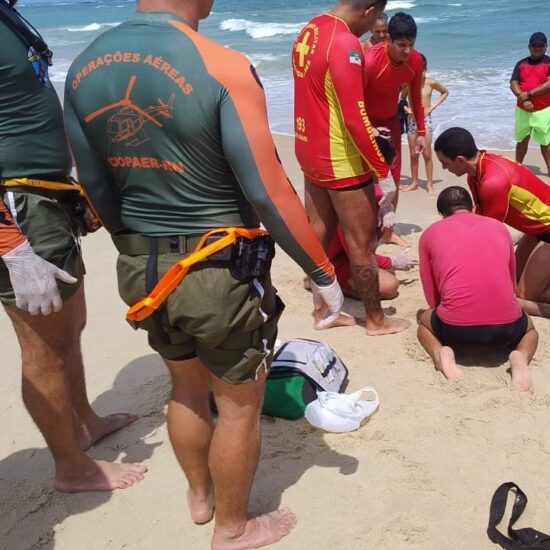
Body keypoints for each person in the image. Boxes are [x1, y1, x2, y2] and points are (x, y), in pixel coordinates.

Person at [65, 0, 345, 548]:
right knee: (239, 400)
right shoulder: (222, 66)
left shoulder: (83, 66)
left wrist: (136, 246)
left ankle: (200, 496)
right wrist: (320, 270)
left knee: (186, 386)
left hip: (142, 265)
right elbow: (267, 191)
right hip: (217, 268)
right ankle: (234, 528)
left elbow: (94, 185)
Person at [0, 0, 146, 492]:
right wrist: (10, 244)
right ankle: (71, 467)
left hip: (46, 192)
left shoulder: (7, 13)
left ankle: (85, 421)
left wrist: (74, 182)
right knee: (43, 347)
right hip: (15, 207)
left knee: (71, 325)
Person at [292, 0, 409, 337]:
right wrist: (383, 174)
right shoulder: (345, 43)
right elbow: (355, 118)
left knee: (319, 235)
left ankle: (323, 312)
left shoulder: (310, 28)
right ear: (370, 9)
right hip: (339, 159)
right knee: (362, 242)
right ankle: (376, 320)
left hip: (308, 149)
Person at [418, 187, 538, 391]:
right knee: (531, 331)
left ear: (441, 215)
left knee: (423, 322)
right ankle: (520, 357)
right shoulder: (499, 228)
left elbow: (432, 297)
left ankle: (441, 355)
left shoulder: (429, 234)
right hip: (506, 330)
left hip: (456, 332)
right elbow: (511, 284)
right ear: (473, 207)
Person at [434, 127, 550, 320]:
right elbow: (479, 220)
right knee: (513, 280)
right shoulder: (476, 173)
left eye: (445, 163)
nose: (445, 169)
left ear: (460, 160)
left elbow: (490, 236)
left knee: (521, 296)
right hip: (535, 230)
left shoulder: (492, 182)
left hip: (547, 232)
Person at [363, 12, 427, 245]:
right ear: (388, 40)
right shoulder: (370, 60)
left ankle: (388, 232)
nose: (407, 50)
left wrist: (421, 132)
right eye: (402, 45)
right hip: (364, 121)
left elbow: (417, 99)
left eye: (411, 44)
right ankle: (366, 227)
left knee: (394, 176)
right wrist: (367, 127)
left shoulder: (416, 61)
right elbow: (352, 98)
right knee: (366, 177)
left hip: (391, 121)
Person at [401, 53, 449, 194]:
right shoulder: (408, 84)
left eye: (421, 70)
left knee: (427, 154)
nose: (418, 73)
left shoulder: (431, 82)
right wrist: (406, 108)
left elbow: (445, 92)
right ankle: (414, 182)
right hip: (411, 121)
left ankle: (429, 184)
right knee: (413, 154)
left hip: (426, 120)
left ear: (425, 69)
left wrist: (433, 105)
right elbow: (401, 99)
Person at [510, 32, 550, 176]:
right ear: (529, 47)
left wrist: (530, 94)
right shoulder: (521, 64)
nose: (537, 48)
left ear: (546, 46)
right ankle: (517, 168)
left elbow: (549, 83)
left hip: (544, 109)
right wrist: (524, 99)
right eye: (534, 45)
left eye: (541, 45)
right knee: (522, 140)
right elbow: (513, 83)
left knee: (546, 142)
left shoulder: (549, 62)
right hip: (523, 110)